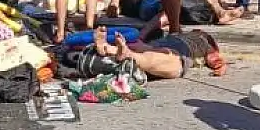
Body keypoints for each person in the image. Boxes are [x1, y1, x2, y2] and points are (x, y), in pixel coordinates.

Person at [92, 26, 226, 80]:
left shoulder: (191, 37)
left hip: (163, 42)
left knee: (147, 49)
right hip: (179, 49)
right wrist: (220, 67)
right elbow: (215, 60)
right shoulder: (203, 42)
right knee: (167, 57)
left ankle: (111, 49)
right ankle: (123, 53)